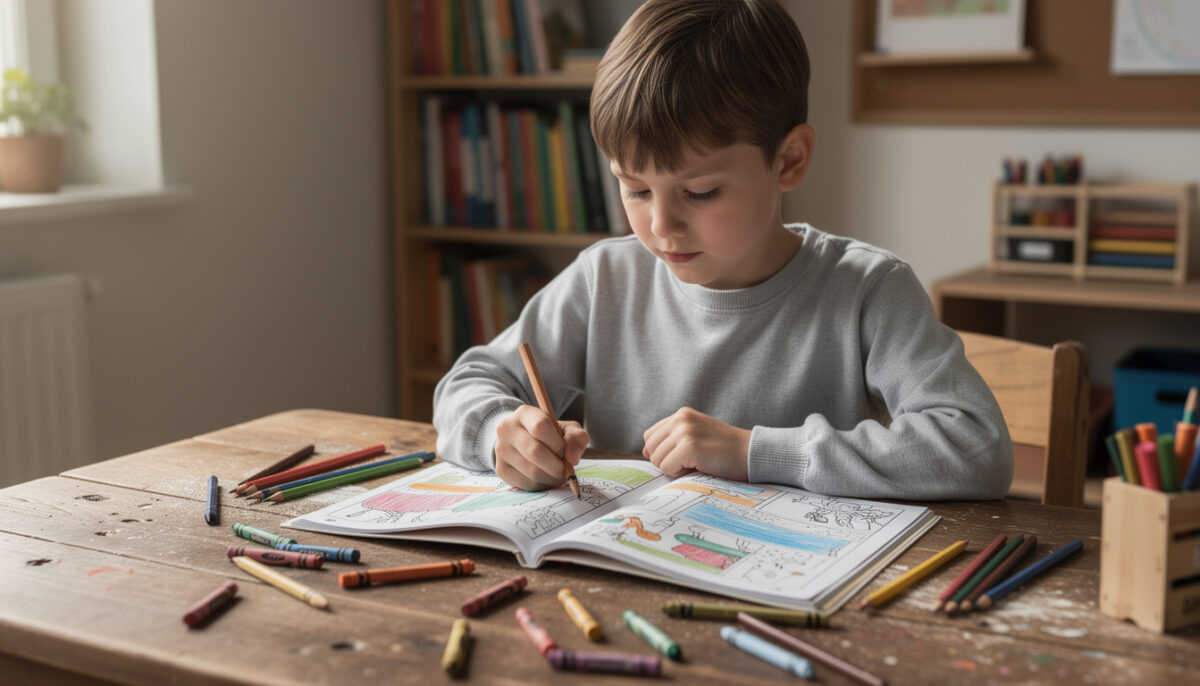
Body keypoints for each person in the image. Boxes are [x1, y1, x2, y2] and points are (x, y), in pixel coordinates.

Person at [433, 0, 1012, 500]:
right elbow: (468, 382)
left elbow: (976, 445)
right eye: (634, 189)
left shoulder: (866, 289)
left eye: (700, 191)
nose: (661, 225)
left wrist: (756, 452)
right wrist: (499, 433)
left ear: (788, 161)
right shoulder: (605, 278)